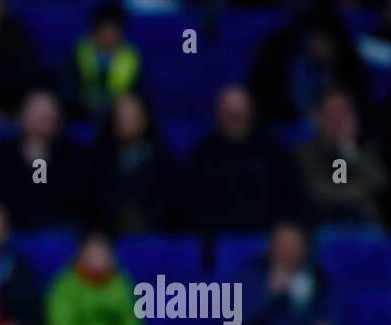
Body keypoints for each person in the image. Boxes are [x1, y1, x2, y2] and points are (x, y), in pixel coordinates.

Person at [187, 86, 306, 234]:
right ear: (218, 115)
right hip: (218, 241)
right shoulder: (202, 156)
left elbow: (292, 201)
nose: (236, 118)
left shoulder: (275, 153)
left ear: (251, 113)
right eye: (229, 114)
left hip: (269, 239)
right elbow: (192, 208)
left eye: (240, 113)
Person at [0, 90, 88, 229]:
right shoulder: (3, 156)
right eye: (39, 115)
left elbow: (74, 202)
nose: (45, 119)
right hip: (11, 232)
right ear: (22, 116)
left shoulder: (74, 157)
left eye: (49, 114)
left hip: (59, 231)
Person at [89, 92, 183, 234]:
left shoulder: (165, 163)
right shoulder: (98, 162)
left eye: (132, 117)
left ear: (145, 119)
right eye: (121, 117)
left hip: (155, 239)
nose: (126, 122)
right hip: (107, 241)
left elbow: (173, 210)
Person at [294, 88, 386, 226]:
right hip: (320, 227)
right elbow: (316, 191)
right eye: (332, 115)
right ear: (318, 118)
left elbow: (379, 185)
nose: (338, 122)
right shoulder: (304, 153)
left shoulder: (363, 151)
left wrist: (347, 148)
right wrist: (358, 191)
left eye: (344, 114)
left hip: (365, 227)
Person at [235, 221, 334, 325]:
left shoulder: (321, 280)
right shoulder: (250, 277)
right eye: (282, 244)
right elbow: (238, 324)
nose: (287, 251)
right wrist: (273, 295)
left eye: (294, 244)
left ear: (306, 248)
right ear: (271, 246)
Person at [45, 230, 142, 325]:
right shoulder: (64, 287)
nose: (98, 260)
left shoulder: (122, 284)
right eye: (93, 254)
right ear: (80, 256)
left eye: (102, 254)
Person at [68, 3, 142, 120]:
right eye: (103, 33)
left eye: (113, 34)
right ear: (94, 33)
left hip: (118, 117)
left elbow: (141, 96)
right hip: (81, 114)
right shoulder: (78, 53)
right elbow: (67, 91)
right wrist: (82, 99)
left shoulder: (132, 58)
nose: (108, 39)